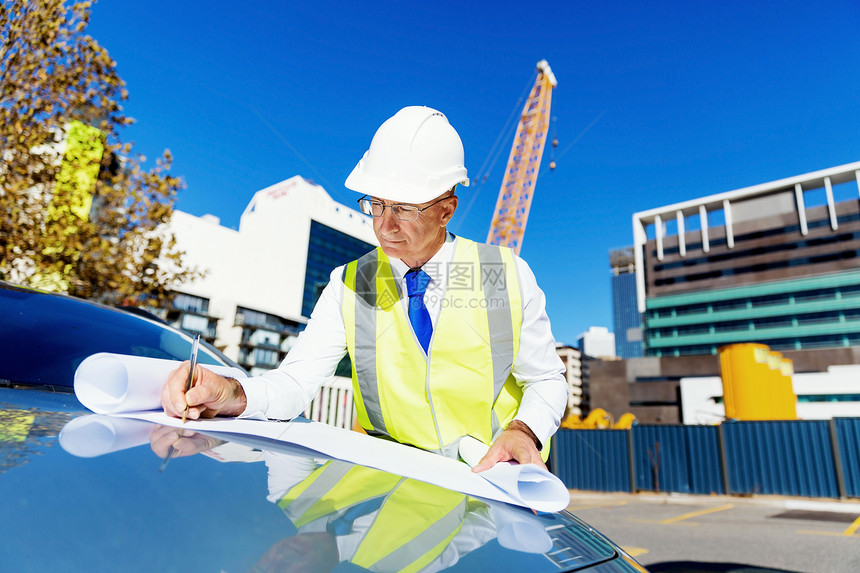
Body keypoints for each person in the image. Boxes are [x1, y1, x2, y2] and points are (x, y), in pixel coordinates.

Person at [161, 106, 568, 471]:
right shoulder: (348, 284)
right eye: (377, 204)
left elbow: (547, 380)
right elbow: (293, 384)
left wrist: (523, 431)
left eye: (405, 209)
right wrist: (230, 391)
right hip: (395, 484)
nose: (384, 225)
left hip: (493, 480)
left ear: (446, 210)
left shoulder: (505, 274)